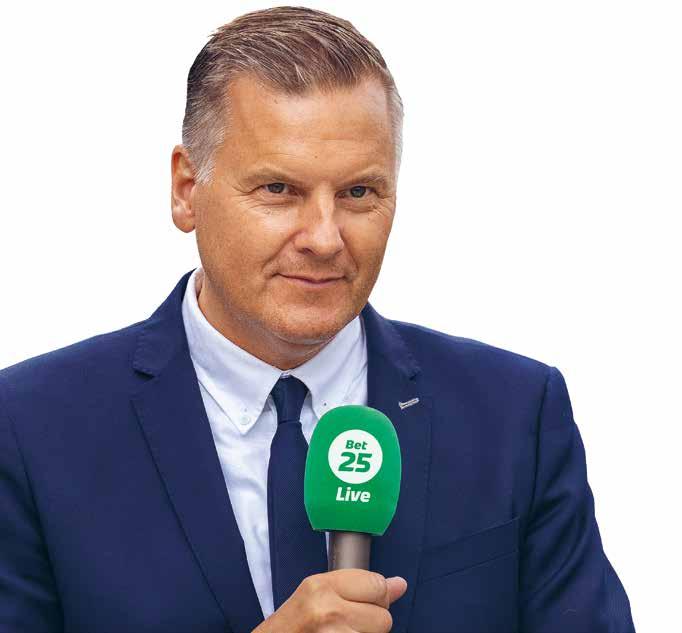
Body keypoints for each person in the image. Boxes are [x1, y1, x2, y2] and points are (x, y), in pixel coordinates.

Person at [0, 6, 635, 633]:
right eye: (279, 190)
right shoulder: (30, 428)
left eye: (358, 192)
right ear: (187, 190)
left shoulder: (516, 414)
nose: (325, 238)